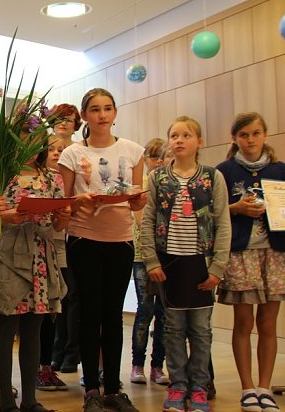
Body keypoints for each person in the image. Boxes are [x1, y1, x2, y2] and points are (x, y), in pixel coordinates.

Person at [57, 88, 146, 412]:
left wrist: (139, 200)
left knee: (113, 315)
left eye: (108, 108)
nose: (102, 114)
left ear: (115, 113)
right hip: (84, 239)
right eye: (95, 109)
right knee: (90, 312)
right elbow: (62, 203)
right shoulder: (71, 153)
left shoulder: (133, 151)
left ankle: (113, 388)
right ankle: (91, 387)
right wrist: (76, 202)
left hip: (121, 240)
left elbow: (137, 198)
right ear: (85, 116)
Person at [142, 116, 230, 412]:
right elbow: (148, 221)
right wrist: (152, 260)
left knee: (201, 331)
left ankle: (199, 387)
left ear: (199, 142)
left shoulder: (212, 177)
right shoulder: (158, 178)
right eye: (174, 135)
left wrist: (218, 267)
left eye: (186, 135)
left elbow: (223, 224)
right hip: (169, 265)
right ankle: (178, 386)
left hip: (201, 264)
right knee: (173, 329)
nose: (179, 140)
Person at [0, 132, 70, 412]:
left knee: (34, 329)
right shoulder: (0, 172)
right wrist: (5, 217)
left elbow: (58, 224)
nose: (30, 146)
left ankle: (30, 399)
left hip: (41, 256)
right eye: (23, 140)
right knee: (6, 328)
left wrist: (63, 215)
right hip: (8, 256)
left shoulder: (51, 176)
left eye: (35, 141)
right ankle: (7, 401)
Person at [217, 112, 285, 412]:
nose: (250, 139)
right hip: (240, 252)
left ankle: (265, 388)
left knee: (268, 322)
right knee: (244, 322)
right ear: (234, 138)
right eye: (244, 135)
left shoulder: (281, 170)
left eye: (256, 133)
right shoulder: (224, 171)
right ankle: (247, 388)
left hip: (275, 252)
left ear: (265, 135)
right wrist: (236, 208)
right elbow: (215, 213)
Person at [129, 138, 169, 386]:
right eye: (153, 157)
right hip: (142, 255)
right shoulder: (141, 186)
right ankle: (137, 364)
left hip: (168, 256)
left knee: (164, 313)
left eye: (162, 156)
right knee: (145, 309)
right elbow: (142, 220)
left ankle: (158, 365)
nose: (158, 162)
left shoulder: (170, 184)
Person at [48, 104, 82, 375]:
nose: (65, 123)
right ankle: (55, 354)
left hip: (74, 233)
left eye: (70, 120)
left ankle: (71, 353)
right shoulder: (42, 149)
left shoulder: (82, 151)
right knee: (56, 297)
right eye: (60, 119)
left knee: (72, 296)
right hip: (50, 233)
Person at [36, 135, 70, 392]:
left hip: (58, 249)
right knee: (35, 313)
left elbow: (61, 221)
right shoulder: (32, 177)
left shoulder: (59, 179)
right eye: (51, 149)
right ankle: (36, 367)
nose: (57, 153)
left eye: (61, 149)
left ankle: (47, 366)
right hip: (35, 246)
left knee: (52, 309)